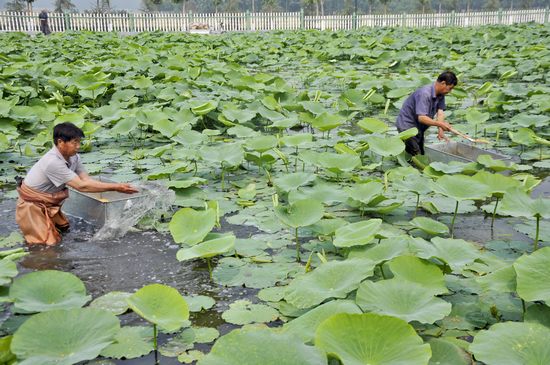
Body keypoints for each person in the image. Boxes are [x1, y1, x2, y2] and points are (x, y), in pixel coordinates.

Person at [15, 122, 138, 245]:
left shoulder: (74, 157)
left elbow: (86, 180)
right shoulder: (52, 162)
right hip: (32, 205)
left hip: (48, 201)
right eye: (74, 142)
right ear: (60, 142)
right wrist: (116, 187)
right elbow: (81, 186)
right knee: (48, 245)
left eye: (79, 142)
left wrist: (117, 187)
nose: (78, 146)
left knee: (63, 229)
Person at [396, 71, 458, 156]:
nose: (450, 91)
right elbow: (421, 118)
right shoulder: (424, 94)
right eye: (450, 88)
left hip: (419, 128)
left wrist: (440, 130)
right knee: (416, 155)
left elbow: (440, 112)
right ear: (443, 83)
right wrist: (440, 124)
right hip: (407, 126)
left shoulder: (441, 94)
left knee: (421, 154)